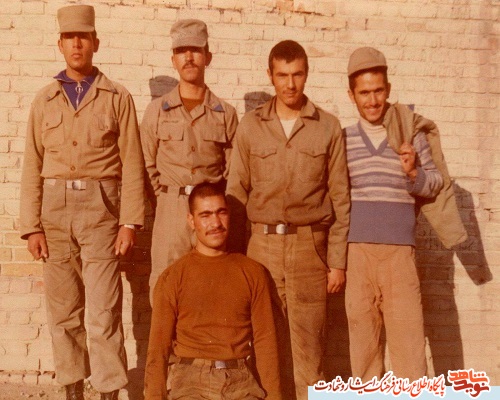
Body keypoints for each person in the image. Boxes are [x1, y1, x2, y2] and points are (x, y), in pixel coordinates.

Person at [19, 5, 145, 400]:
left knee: (104, 311)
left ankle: (108, 391)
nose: (77, 44)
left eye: (84, 37)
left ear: (96, 43)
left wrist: (129, 222)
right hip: (54, 214)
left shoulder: (117, 97)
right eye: (69, 37)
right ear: (60, 44)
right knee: (63, 312)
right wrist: (32, 226)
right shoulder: (45, 99)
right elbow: (32, 164)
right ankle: (73, 390)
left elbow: (133, 163)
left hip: (101, 211)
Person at [226, 40, 350, 400]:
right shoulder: (251, 126)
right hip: (261, 248)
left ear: (306, 74)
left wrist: (337, 262)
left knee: (309, 354)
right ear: (270, 75)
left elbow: (341, 199)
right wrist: (234, 258)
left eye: (297, 75)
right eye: (282, 75)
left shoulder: (327, 127)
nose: (290, 84)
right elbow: (236, 194)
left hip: (309, 248)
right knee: (265, 351)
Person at [344, 46, 467, 382]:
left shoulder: (409, 134)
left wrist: (414, 172)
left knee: (410, 354)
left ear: (388, 89)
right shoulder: (344, 139)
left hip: (400, 256)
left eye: (378, 91)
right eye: (364, 93)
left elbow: (436, 183)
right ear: (351, 95)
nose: (372, 100)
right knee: (364, 354)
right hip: (357, 255)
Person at [144, 182, 282, 400]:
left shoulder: (252, 272)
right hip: (191, 382)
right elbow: (157, 349)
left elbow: (265, 343)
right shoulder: (173, 277)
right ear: (191, 221)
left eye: (221, 212)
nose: (216, 223)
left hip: (241, 382)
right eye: (205, 215)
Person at [140, 19, 238, 303]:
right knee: (166, 288)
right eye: (181, 51)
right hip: (170, 210)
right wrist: (166, 199)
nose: (189, 57)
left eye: (195, 50)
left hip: (211, 214)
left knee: (211, 290)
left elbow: (233, 172)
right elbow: (146, 166)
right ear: (173, 60)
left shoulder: (225, 114)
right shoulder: (157, 111)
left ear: (208, 56)